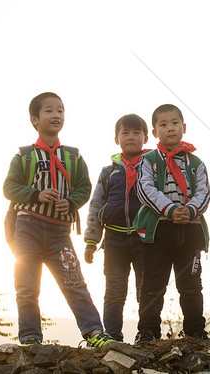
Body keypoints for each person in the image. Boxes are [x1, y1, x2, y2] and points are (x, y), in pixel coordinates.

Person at [2, 92, 113, 347]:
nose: (56, 115)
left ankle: (94, 332)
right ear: (34, 119)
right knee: (27, 284)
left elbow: (84, 187)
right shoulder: (24, 156)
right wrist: (36, 194)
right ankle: (30, 337)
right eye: (49, 110)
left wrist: (71, 202)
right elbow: (9, 187)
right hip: (27, 227)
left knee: (74, 282)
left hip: (59, 231)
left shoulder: (73, 157)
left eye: (60, 110)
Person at [133, 104, 210, 343]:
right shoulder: (148, 160)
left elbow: (204, 193)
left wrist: (188, 210)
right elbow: (145, 190)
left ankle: (195, 331)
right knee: (153, 285)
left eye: (175, 123)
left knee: (191, 284)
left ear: (183, 127)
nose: (170, 128)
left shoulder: (196, 163)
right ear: (155, 132)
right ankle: (148, 331)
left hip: (190, 230)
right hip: (159, 231)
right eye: (163, 125)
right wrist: (171, 209)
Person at [83, 114, 150, 342]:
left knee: (146, 289)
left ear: (146, 137)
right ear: (116, 138)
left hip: (145, 239)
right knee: (114, 290)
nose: (131, 137)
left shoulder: (152, 168)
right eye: (125, 133)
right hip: (113, 240)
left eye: (136, 133)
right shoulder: (108, 172)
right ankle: (112, 336)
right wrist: (91, 241)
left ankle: (147, 334)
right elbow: (96, 206)